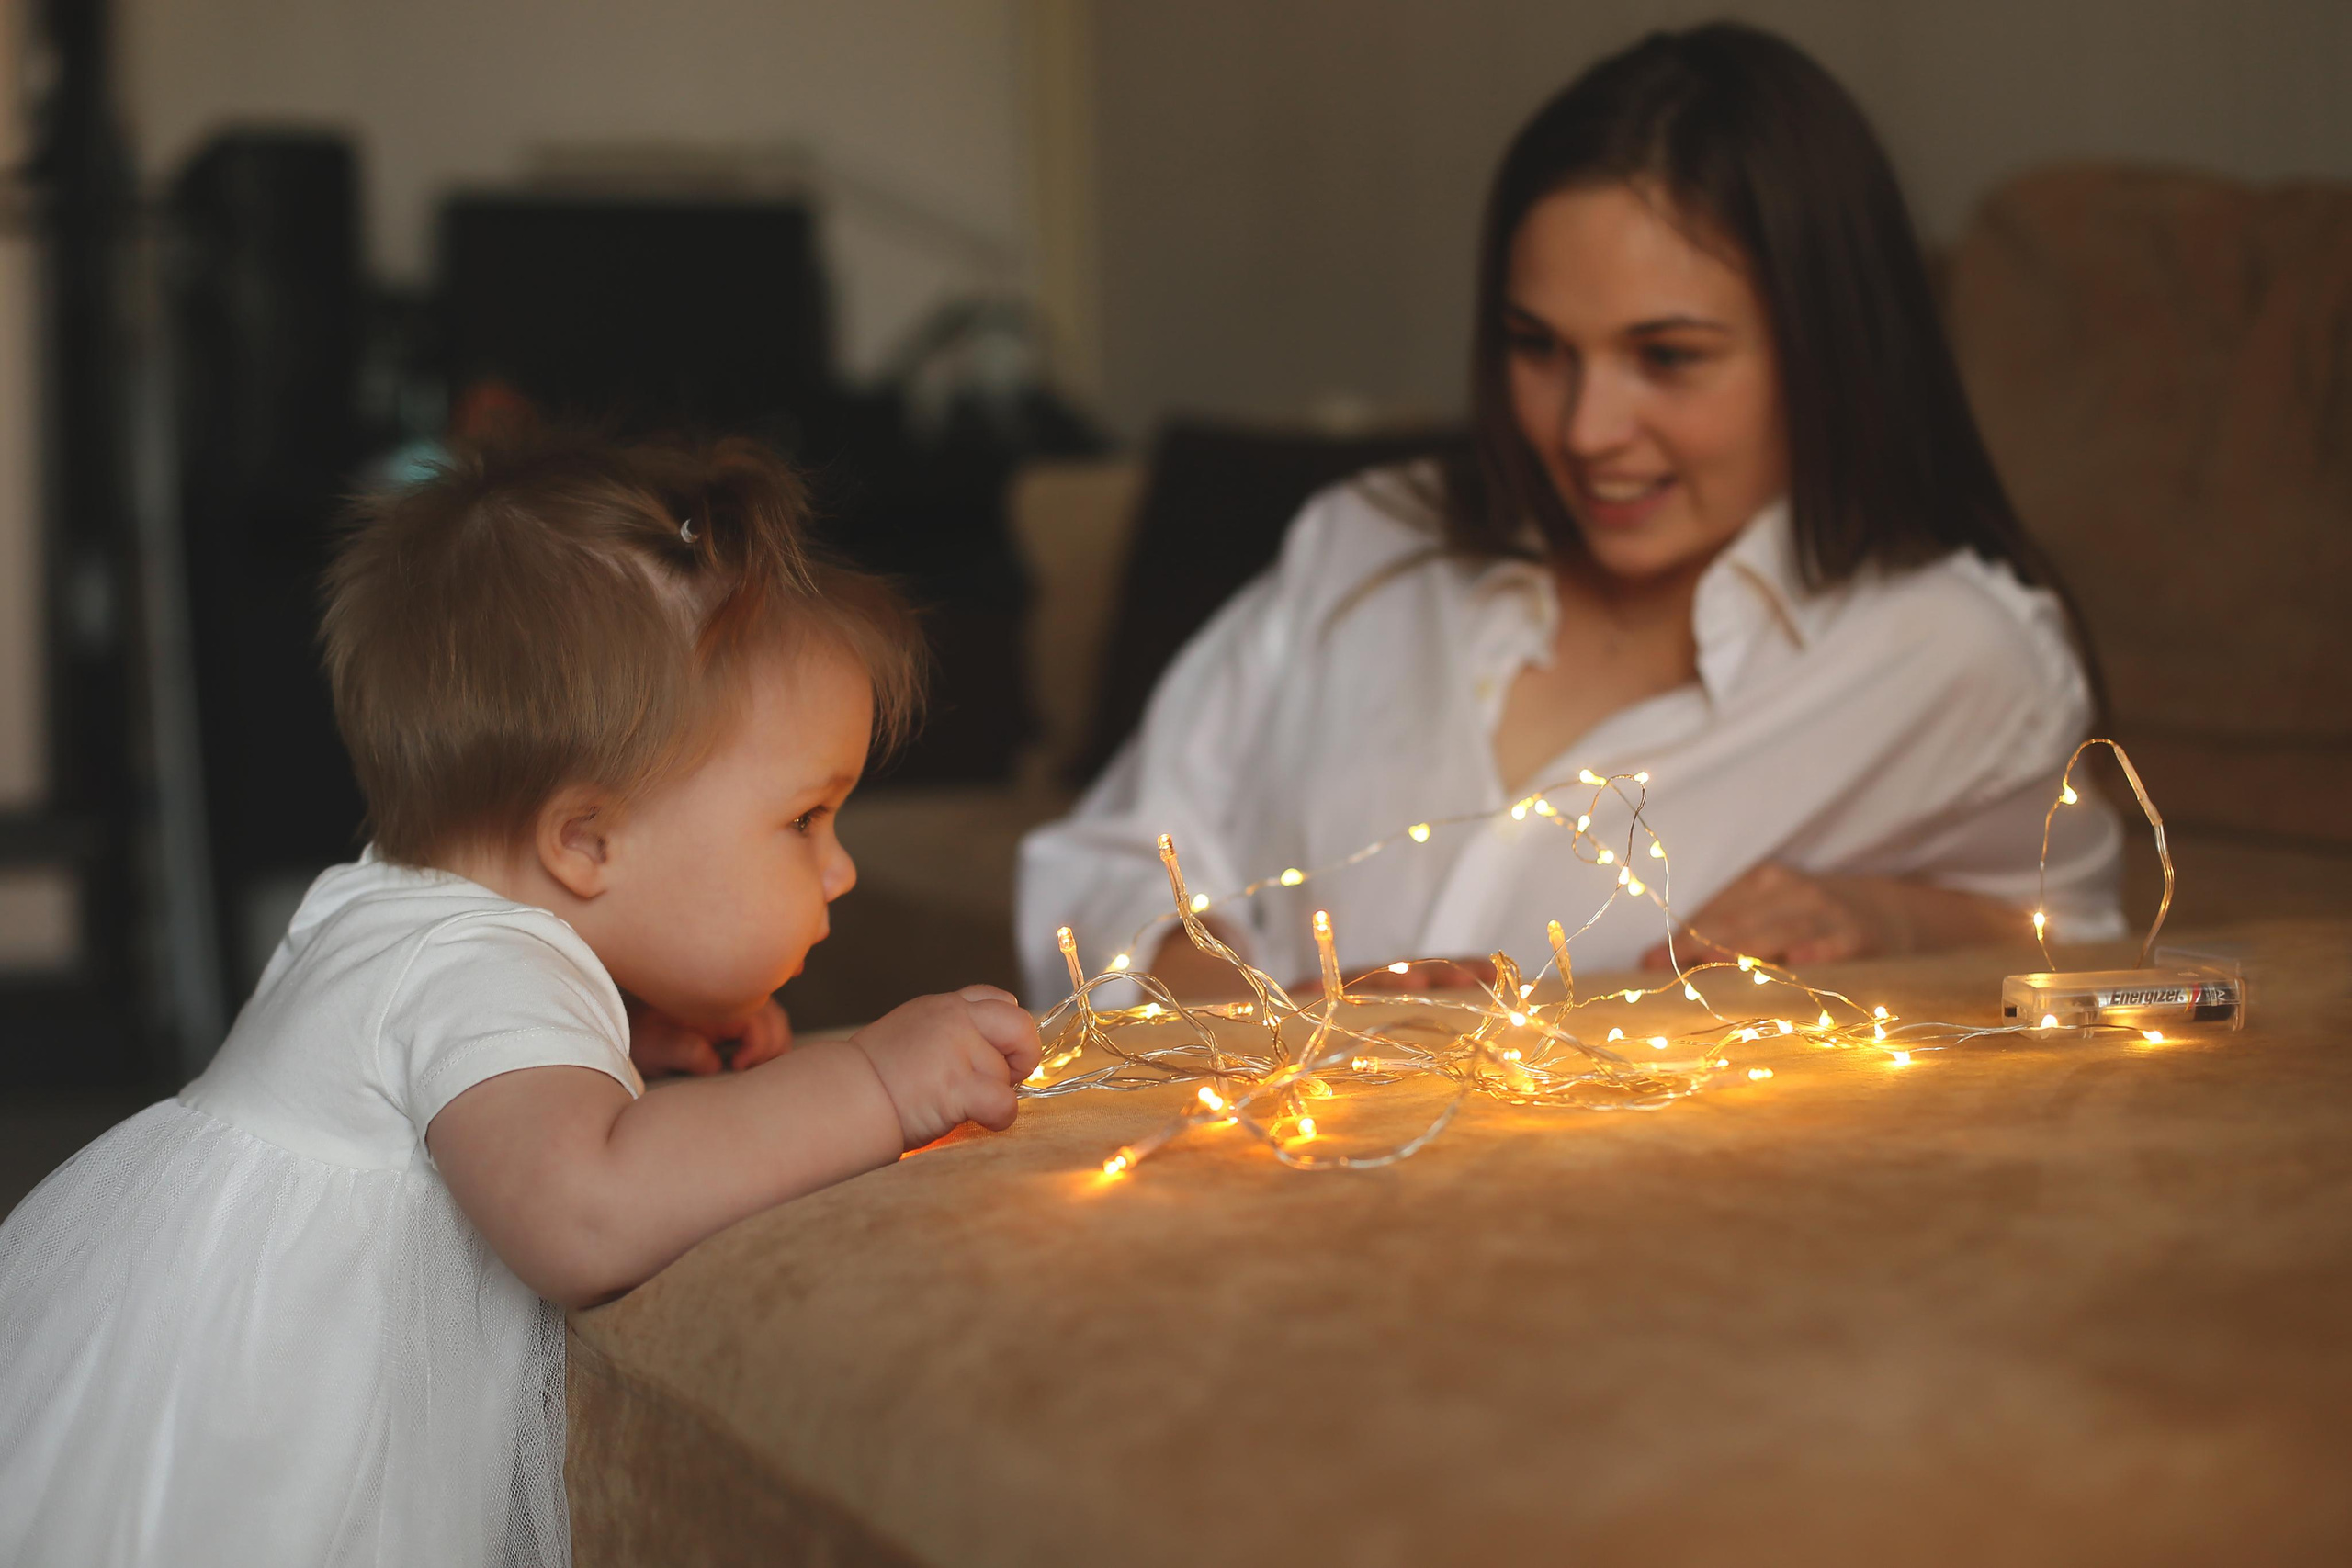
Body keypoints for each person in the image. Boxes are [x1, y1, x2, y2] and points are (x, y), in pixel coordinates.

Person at [0, 434, 1042, 1565]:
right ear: (585, 839)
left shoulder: (406, 914)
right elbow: (585, 1210)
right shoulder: (479, 971)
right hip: (265, 1468)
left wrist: (635, 1038)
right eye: (804, 820)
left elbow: (460, 1083)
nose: (838, 869)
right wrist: (874, 1081)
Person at [1018, 23, 2123, 1006]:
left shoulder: (1955, 657)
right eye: (1537, 346)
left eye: (1667, 357)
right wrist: (1264, 1019)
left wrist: (1885, 918)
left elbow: (2078, 943)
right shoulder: (1372, 536)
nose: (1587, 429)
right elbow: (1109, 863)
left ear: (1827, 351)